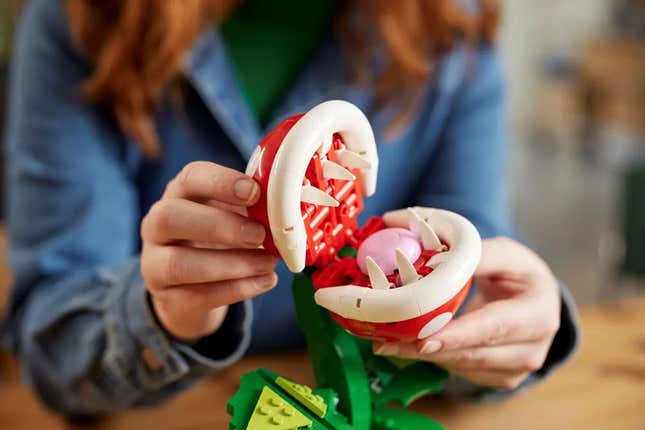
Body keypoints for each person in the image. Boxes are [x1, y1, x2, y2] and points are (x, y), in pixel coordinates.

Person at [1, 0, 578, 416]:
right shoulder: (84, 18)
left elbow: (477, 267)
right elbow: (52, 351)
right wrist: (160, 315)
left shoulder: (452, 24)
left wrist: (503, 326)